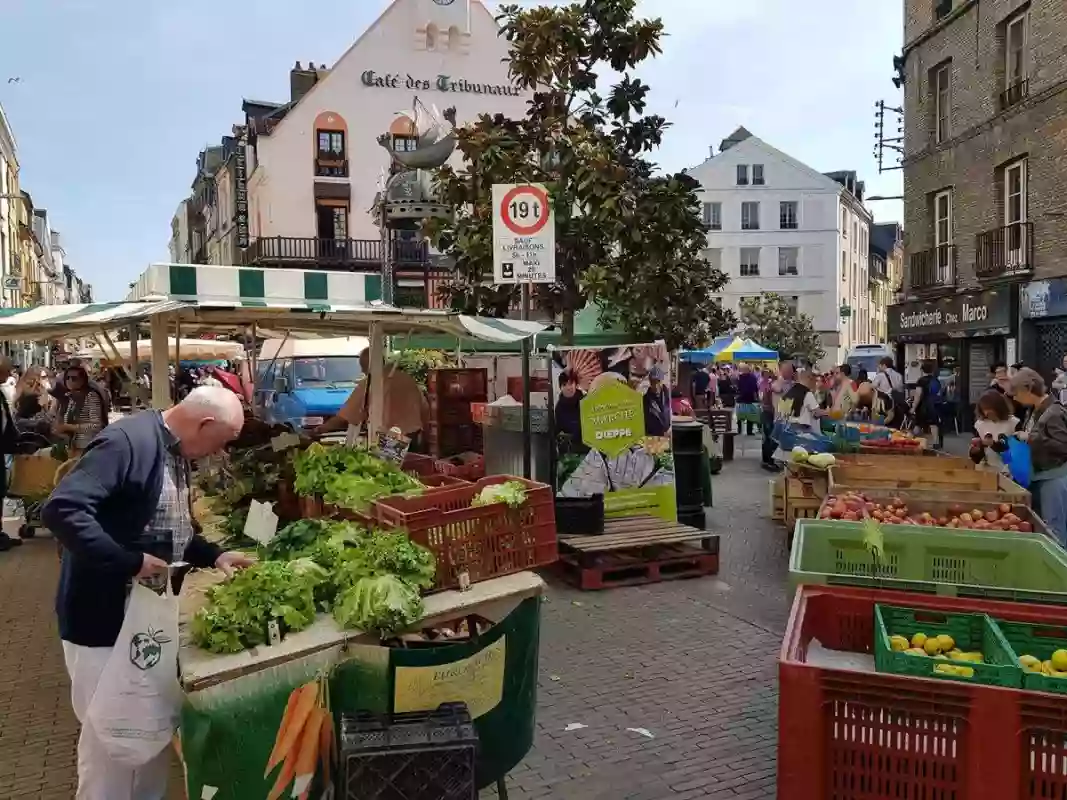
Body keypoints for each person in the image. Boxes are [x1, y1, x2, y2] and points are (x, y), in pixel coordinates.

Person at [42, 387, 254, 799]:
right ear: (204, 425)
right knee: (110, 737)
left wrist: (214, 555)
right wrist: (129, 561)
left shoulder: (173, 449)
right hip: (103, 618)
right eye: (223, 440)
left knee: (145, 727)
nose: (221, 451)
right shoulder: (127, 443)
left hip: (140, 616)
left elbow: (168, 527)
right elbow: (62, 509)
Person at [314, 347, 429, 450]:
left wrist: (322, 429)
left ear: (369, 366)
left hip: (389, 441)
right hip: (412, 437)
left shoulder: (370, 383)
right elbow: (425, 410)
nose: (362, 371)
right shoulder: (407, 379)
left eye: (363, 367)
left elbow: (346, 415)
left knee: (388, 471)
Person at [1008, 368, 1067, 545]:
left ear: (1028, 390)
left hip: (1053, 478)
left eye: (1016, 393)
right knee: (1044, 527)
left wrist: (1031, 438)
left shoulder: (1054, 412)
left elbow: (1063, 446)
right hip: (1040, 475)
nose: (1015, 398)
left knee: (1054, 530)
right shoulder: (1035, 410)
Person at [53, 364, 109, 455]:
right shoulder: (69, 397)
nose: (70, 381)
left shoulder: (91, 396)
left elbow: (96, 426)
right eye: (67, 377)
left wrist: (69, 427)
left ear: (82, 380)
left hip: (87, 445)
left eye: (74, 378)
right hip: (73, 446)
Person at [968, 390, 1019, 473]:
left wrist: (993, 444)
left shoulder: (1013, 423)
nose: (987, 412)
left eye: (989, 408)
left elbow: (1016, 451)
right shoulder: (980, 424)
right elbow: (976, 458)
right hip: (986, 470)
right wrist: (976, 450)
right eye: (984, 409)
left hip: (1008, 471)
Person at [761, 361, 794, 471]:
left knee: (772, 438)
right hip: (774, 414)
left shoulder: (788, 383)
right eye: (788, 370)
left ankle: (769, 461)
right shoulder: (778, 383)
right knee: (772, 438)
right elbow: (776, 390)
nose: (791, 372)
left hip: (779, 414)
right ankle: (769, 462)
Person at [14, 367, 55, 436]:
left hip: (36, 425)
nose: (46, 380)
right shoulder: (28, 392)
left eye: (46, 377)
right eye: (43, 377)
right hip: (30, 425)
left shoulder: (47, 389)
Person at [911, 362, 942, 447]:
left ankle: (910, 440)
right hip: (934, 406)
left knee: (918, 424)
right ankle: (935, 442)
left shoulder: (921, 380)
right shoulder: (936, 381)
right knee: (934, 424)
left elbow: (918, 395)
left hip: (923, 406)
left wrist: (913, 407)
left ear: (922, 370)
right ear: (932, 370)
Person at [554, 370, 585, 452]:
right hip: (568, 451)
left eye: (571, 383)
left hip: (586, 449)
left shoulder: (586, 402)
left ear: (576, 385)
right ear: (560, 387)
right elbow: (558, 428)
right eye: (564, 384)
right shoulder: (559, 407)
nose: (568, 387)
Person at [643, 366, 671, 436]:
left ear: (662, 381)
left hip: (669, 437)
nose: (655, 386)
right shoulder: (645, 400)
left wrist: (670, 430)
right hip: (653, 439)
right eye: (652, 382)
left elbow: (674, 416)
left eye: (658, 381)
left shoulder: (669, 397)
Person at [735, 363, 759, 435]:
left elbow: (755, 388)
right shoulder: (740, 377)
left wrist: (756, 397)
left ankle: (749, 431)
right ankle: (740, 429)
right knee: (740, 416)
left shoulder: (752, 377)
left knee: (749, 416)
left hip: (749, 398)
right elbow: (738, 387)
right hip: (742, 398)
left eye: (744, 370)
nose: (743, 371)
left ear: (748, 370)